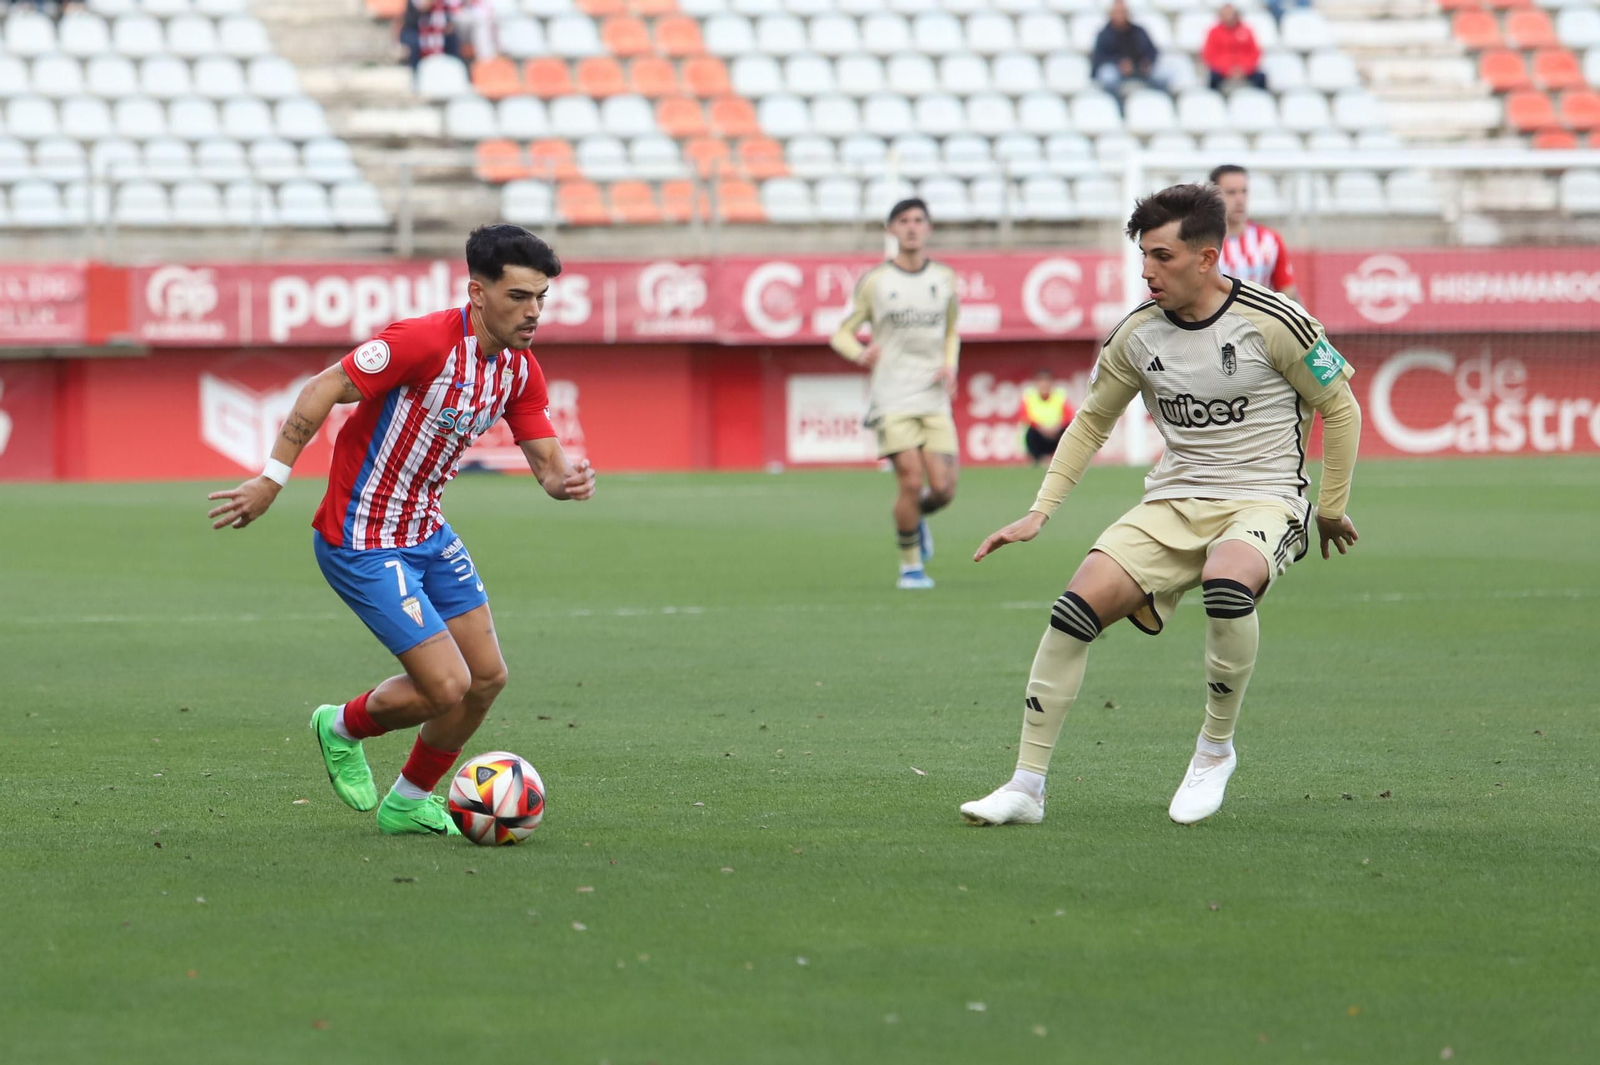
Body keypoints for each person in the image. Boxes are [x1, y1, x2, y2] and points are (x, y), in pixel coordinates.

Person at [959, 183, 1361, 828]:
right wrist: (1041, 511)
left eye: (1162, 256)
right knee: (1071, 612)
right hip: (1172, 501)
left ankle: (1212, 752)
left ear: (1206, 259)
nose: (1147, 271)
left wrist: (1332, 508)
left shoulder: (1275, 321)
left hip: (1262, 499)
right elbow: (1090, 423)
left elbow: (1341, 406)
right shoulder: (1135, 337)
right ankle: (1026, 786)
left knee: (1228, 587)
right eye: (1143, 256)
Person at [205, 225, 596, 838]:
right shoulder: (421, 342)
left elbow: (548, 467)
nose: (534, 311)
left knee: (487, 679)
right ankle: (338, 727)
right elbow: (321, 388)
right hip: (359, 537)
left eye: (541, 297)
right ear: (477, 292)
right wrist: (271, 479)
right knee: (445, 687)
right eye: (519, 296)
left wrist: (567, 481)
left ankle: (409, 800)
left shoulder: (519, 371)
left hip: (427, 532)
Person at [830, 198, 961, 591]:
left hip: (933, 396)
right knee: (909, 478)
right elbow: (841, 333)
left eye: (919, 220)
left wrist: (949, 364)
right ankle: (910, 567)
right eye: (903, 220)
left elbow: (952, 329)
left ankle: (914, 519)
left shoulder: (945, 279)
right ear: (891, 230)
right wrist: (860, 351)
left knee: (942, 489)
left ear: (929, 228)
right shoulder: (876, 282)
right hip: (892, 396)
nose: (911, 227)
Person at [1210, 164, 1299, 300]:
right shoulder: (1202, 242)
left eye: (1244, 191)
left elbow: (1288, 293)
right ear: (1214, 195)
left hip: (1260, 320)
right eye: (1231, 192)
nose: (1239, 199)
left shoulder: (1270, 240)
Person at [1092, 1, 1169, 97]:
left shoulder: (1139, 31)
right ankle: (1117, 104)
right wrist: (1119, 63)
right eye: (1117, 12)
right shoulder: (1104, 35)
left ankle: (1157, 101)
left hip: (1140, 69)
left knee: (1162, 74)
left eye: (1123, 12)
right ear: (1111, 14)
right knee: (1108, 75)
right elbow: (1099, 58)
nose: (1121, 15)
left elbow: (1152, 51)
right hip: (1117, 70)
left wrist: (1147, 62)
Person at [1203, 5, 1266, 92]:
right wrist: (1227, 69)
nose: (1228, 17)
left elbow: (1254, 53)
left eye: (1230, 14)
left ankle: (1260, 102)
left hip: (1245, 70)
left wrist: (1244, 69)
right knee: (1213, 78)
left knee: (1261, 78)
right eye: (1225, 14)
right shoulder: (1214, 32)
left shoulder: (1246, 30)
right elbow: (1210, 55)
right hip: (1222, 71)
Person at [1021, 369, 1074, 466]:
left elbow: (1068, 416)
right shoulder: (1030, 397)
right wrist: (1042, 428)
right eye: (1041, 383)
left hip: (1056, 433)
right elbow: (1026, 417)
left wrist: (1056, 427)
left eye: (1047, 383)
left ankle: (1064, 458)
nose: (1044, 386)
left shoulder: (1059, 395)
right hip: (1039, 434)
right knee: (1030, 432)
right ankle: (1037, 458)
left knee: (1068, 431)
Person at [397, 0, 461, 75]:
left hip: (440, 32)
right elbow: (419, 9)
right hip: (415, 31)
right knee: (414, 44)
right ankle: (416, 74)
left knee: (452, 40)